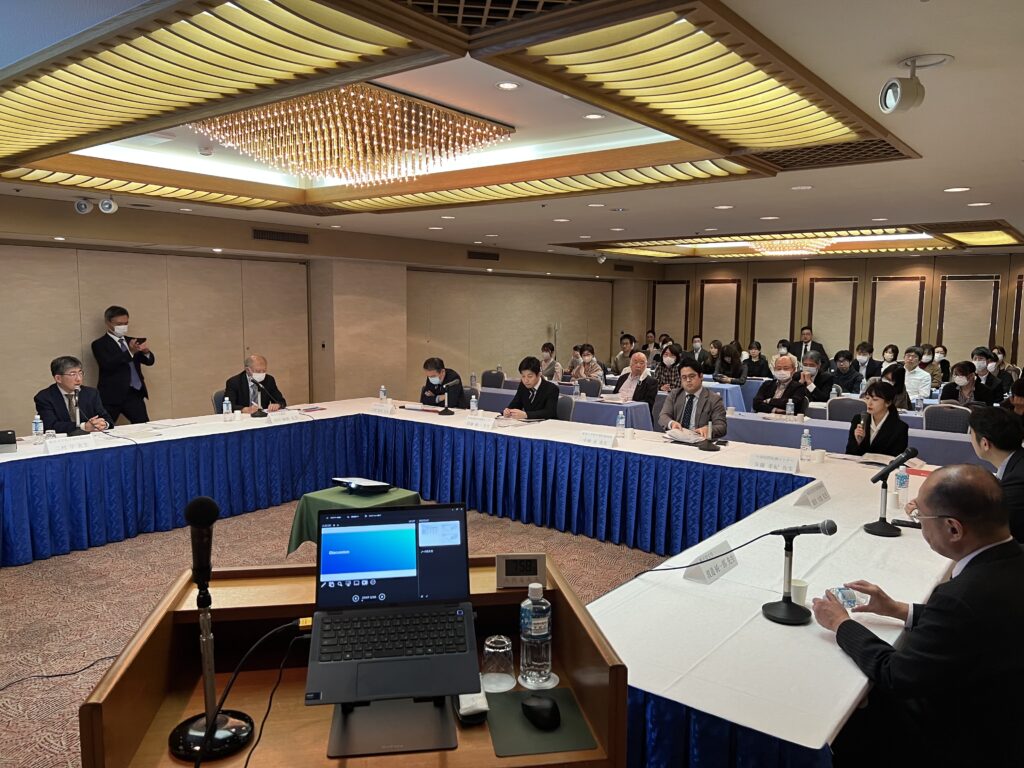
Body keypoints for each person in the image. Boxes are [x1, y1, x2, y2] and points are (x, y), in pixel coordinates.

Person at [812, 465, 1024, 768]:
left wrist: (841, 624)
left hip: (962, 738)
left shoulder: (959, 597)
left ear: (953, 529)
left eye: (921, 518)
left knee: (845, 709)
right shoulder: (1010, 562)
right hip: (1004, 714)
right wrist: (898, 609)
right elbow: (976, 622)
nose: (921, 526)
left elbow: (895, 675)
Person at [91, 305, 155, 424]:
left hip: (134, 393)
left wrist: (146, 352)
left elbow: (149, 361)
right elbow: (107, 365)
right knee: (104, 427)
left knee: (144, 426)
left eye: (126, 323)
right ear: (108, 323)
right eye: (119, 324)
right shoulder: (99, 344)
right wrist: (130, 352)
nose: (123, 327)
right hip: (111, 395)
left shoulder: (132, 341)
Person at [968, 407, 1024, 542]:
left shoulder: (1016, 482)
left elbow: (992, 529)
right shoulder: (1017, 463)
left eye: (971, 436)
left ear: (985, 444)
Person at [35, 356, 114, 435]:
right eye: (73, 374)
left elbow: (107, 418)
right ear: (58, 378)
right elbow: (50, 425)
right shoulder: (44, 397)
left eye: (80, 373)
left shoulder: (91, 393)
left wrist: (103, 424)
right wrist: (83, 427)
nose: (79, 379)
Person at [657, 358, 727, 439]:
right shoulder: (674, 394)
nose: (688, 380)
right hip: (677, 439)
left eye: (692, 376)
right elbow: (663, 416)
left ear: (701, 376)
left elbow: (721, 426)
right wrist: (672, 423)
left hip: (701, 440)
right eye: (684, 377)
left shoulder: (714, 399)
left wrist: (708, 429)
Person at [845, 380, 909, 457]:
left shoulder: (900, 428)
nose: (869, 403)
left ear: (888, 403)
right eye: (867, 398)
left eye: (875, 399)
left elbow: (895, 459)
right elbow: (849, 454)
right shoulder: (858, 419)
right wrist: (858, 442)